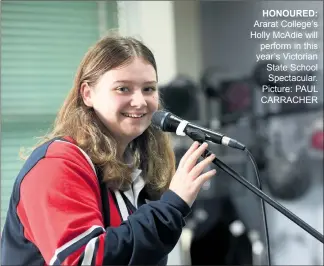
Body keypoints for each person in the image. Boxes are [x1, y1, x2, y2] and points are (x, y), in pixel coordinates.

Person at [1, 34, 217, 265]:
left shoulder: (135, 167)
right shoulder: (56, 164)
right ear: (87, 94)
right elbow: (83, 259)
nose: (140, 102)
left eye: (148, 89)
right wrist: (171, 207)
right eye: (123, 88)